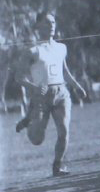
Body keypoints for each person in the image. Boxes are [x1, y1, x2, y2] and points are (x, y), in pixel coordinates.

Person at [14, 11, 87, 177]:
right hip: (41, 96)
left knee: (64, 131)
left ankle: (57, 166)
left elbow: (65, 71)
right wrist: (33, 87)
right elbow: (18, 77)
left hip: (61, 94)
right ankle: (29, 121)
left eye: (53, 22)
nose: (51, 26)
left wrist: (77, 87)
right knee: (37, 140)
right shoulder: (32, 51)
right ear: (38, 26)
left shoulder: (61, 48)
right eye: (47, 22)